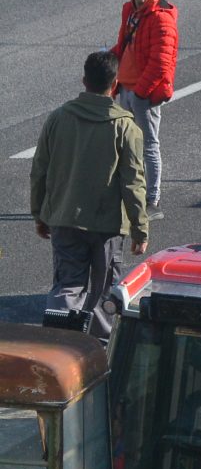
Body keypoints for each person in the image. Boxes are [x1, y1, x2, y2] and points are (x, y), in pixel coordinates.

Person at [29, 52, 148, 338]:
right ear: (115, 84)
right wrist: (140, 230)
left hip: (65, 219)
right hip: (107, 228)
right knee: (103, 290)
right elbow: (133, 183)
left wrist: (40, 214)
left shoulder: (58, 118)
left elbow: (39, 171)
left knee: (67, 286)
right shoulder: (125, 127)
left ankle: (57, 347)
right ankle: (98, 353)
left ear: (84, 81)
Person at [109, 0, 177, 210]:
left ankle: (152, 198)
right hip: (125, 88)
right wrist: (106, 69)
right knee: (125, 146)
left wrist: (140, 92)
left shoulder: (161, 17)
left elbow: (161, 63)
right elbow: (122, 45)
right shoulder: (130, 10)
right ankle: (130, 193)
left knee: (148, 145)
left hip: (142, 93)